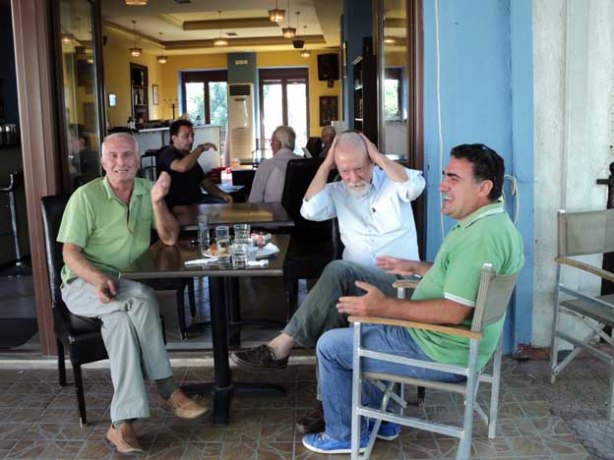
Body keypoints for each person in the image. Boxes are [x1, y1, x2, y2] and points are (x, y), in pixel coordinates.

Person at [301, 143, 525, 454]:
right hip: (450, 343)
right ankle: (384, 420)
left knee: (331, 346)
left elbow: (453, 311)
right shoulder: (492, 224)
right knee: (366, 330)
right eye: (445, 176)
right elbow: (460, 276)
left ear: (484, 188)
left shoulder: (480, 238)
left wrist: (385, 306)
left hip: (441, 350)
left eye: (454, 179)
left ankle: (343, 434)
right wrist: (417, 267)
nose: (442, 185)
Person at [232, 131, 426, 430]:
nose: (352, 178)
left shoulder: (394, 183)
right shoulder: (337, 191)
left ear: (371, 161)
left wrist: (377, 156)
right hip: (356, 289)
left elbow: (415, 186)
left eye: (359, 168)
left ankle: (282, 346)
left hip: (399, 287)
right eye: (345, 171)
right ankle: (328, 408)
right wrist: (325, 165)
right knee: (329, 318)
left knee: (337, 270)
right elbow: (309, 210)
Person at [58, 133, 208, 455]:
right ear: (102, 161)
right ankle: (167, 389)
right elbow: (69, 253)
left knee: (122, 324)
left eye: (126, 155)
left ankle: (121, 425)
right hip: (82, 284)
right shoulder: (85, 197)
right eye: (112, 156)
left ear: (137, 160)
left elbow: (170, 238)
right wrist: (97, 278)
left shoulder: (146, 190)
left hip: (122, 284)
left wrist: (156, 202)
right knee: (141, 296)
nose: (120, 162)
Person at [158, 119, 231, 209]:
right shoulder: (166, 153)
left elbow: (205, 182)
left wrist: (222, 195)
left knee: (226, 206)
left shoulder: (189, 156)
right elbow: (181, 167)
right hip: (178, 206)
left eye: (192, 135)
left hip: (197, 201)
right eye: (186, 136)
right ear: (174, 139)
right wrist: (200, 148)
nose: (191, 140)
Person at [248, 125, 302, 202]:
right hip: (301, 210)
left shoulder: (267, 165)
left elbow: (254, 200)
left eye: (272, 141)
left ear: (278, 143)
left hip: (273, 209)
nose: (271, 144)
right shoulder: (304, 162)